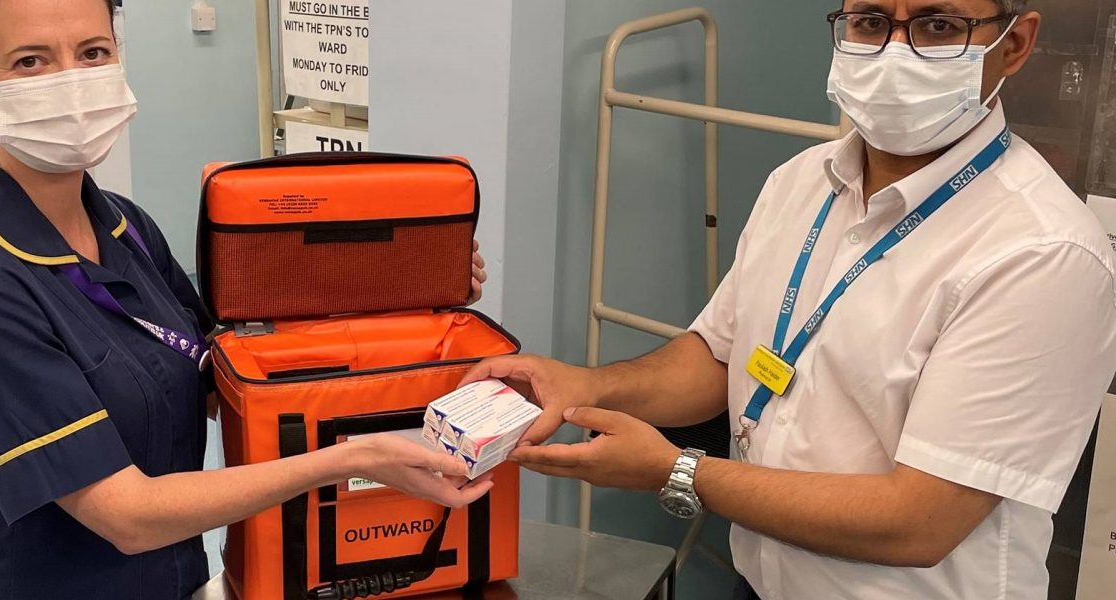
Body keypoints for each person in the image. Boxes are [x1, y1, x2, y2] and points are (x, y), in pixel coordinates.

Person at [463, 1, 1116, 599]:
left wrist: (675, 470)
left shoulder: (1043, 252)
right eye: (868, 23)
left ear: (1015, 43)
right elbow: (720, 359)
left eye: (937, 27)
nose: (894, 53)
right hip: (764, 582)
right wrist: (584, 388)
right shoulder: (802, 181)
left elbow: (919, 521)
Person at [0, 1, 492, 598]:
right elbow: (126, 515)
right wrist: (347, 460)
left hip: (177, 579)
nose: (72, 82)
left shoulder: (124, 227)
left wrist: (409, 293)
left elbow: (221, 382)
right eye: (30, 61)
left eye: (92, 53)